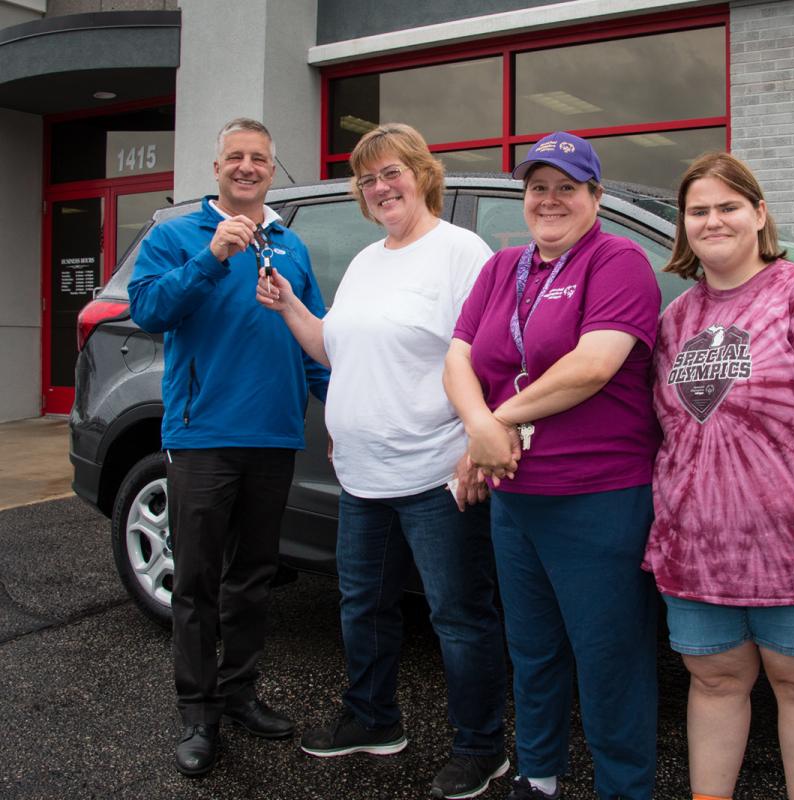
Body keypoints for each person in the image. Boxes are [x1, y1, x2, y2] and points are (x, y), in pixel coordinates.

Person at [255, 123, 509, 800]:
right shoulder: (367, 263)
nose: (379, 188)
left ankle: (482, 747)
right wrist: (288, 308)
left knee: (459, 616)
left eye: (390, 172)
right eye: (367, 180)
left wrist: (475, 444)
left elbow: (487, 360)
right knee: (362, 606)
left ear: (423, 174)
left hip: (435, 472)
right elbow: (336, 351)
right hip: (362, 475)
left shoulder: (462, 253)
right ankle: (372, 719)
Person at [642, 152, 794, 800]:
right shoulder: (676, 321)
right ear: (684, 226)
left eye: (728, 206)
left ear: (758, 213)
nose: (713, 220)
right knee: (715, 684)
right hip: (699, 552)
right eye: (699, 210)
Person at [443, 131, 662, 800]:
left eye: (567, 187)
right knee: (533, 649)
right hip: (518, 498)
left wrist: (493, 424)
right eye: (538, 187)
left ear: (596, 196)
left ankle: (623, 789)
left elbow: (592, 367)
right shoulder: (502, 266)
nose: (550, 199)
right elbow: (457, 360)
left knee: (608, 659)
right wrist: (480, 427)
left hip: (597, 498)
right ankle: (537, 778)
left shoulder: (617, 262)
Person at [128, 118, 330, 777]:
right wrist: (212, 256)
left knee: (252, 580)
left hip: (273, 437)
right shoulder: (176, 236)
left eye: (259, 159)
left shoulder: (290, 245)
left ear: (273, 169)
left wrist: (343, 411)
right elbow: (150, 310)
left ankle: (241, 693)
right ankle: (198, 713)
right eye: (235, 157)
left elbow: (314, 340)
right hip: (203, 437)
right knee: (197, 583)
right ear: (216, 168)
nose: (247, 167)